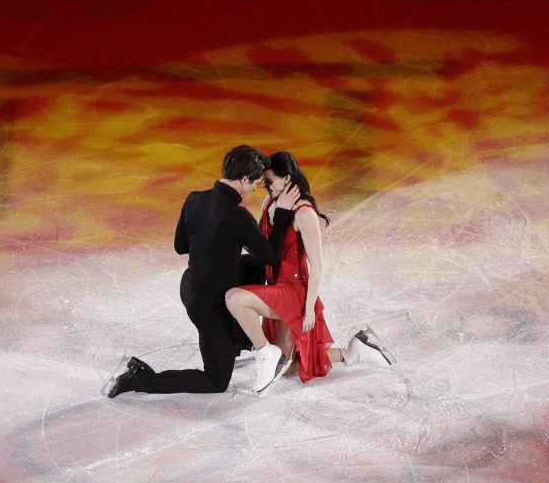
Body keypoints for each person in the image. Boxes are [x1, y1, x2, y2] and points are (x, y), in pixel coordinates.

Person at [104, 145, 283, 397]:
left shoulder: (194, 198)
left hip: (190, 286)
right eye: (255, 182)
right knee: (216, 382)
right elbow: (271, 256)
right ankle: (142, 379)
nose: (256, 188)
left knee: (252, 266)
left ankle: (237, 341)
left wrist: (213, 242)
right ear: (244, 179)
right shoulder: (237, 215)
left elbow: (180, 246)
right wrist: (283, 218)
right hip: (208, 306)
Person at [225, 150, 393, 392]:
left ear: (286, 179)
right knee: (288, 367)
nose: (265, 186)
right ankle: (352, 351)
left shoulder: (304, 213)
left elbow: (317, 266)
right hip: (275, 287)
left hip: (294, 292)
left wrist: (310, 308)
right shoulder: (269, 202)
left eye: (270, 181)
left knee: (236, 299)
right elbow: (264, 249)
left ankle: (350, 352)